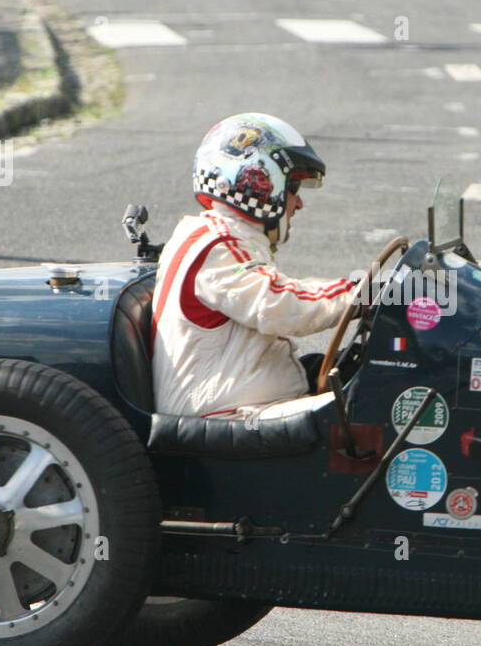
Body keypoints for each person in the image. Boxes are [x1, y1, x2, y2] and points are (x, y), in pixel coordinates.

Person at [151, 113, 360, 418]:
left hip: (234, 399)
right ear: (258, 183)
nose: (298, 203)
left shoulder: (215, 236)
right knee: (367, 407)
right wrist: (361, 293)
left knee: (365, 372)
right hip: (223, 414)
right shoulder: (217, 244)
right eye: (293, 188)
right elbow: (277, 304)